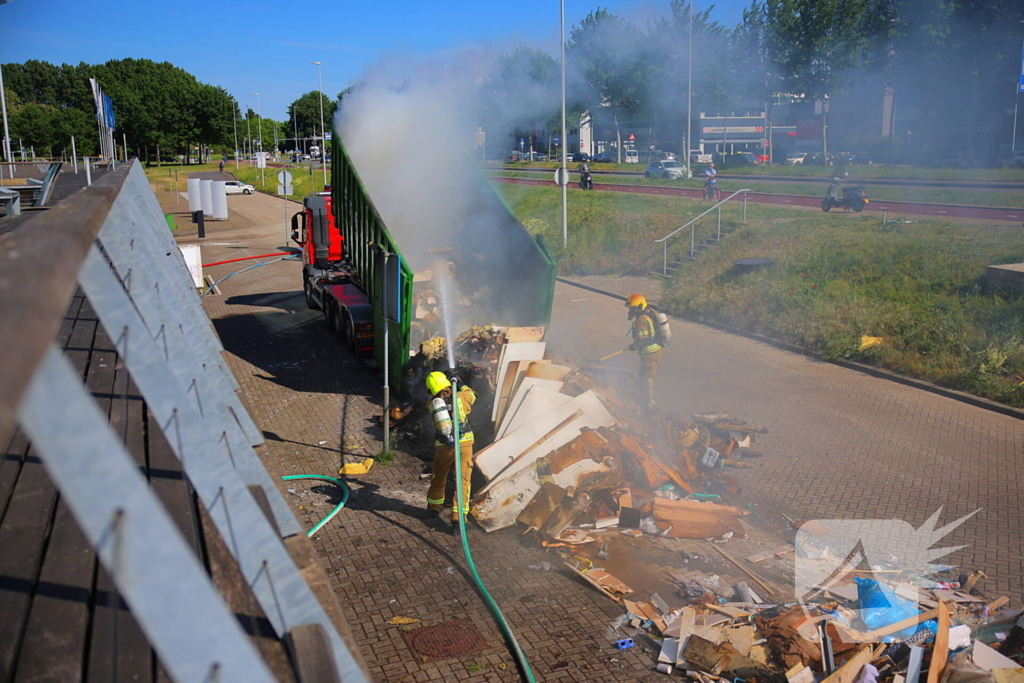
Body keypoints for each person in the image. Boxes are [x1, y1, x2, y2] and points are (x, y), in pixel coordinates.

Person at [424, 371, 477, 533]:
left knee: (439, 475)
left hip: (443, 446)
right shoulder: (461, 396)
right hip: (464, 444)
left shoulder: (432, 404)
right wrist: (460, 383)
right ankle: (458, 520)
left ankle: (433, 508)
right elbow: (473, 396)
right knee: (462, 481)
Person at [625, 294, 663, 412]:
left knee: (648, 377)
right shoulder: (649, 312)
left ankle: (651, 404)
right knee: (643, 376)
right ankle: (644, 399)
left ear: (639, 307)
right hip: (654, 349)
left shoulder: (641, 320)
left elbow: (642, 340)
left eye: (632, 308)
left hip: (650, 352)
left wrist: (633, 346)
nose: (631, 311)